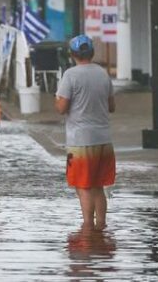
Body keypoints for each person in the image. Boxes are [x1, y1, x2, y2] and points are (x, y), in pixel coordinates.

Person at [55, 34, 116, 231]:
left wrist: (57, 99)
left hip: (81, 140)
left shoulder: (70, 75)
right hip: (104, 139)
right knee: (98, 185)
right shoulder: (102, 73)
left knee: (83, 186)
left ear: (72, 54)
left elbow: (62, 107)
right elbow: (111, 106)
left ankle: (88, 228)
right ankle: (101, 226)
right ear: (92, 52)